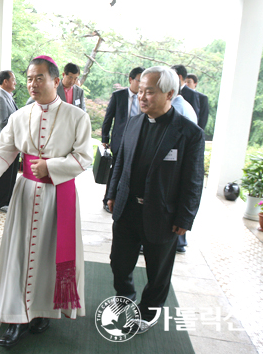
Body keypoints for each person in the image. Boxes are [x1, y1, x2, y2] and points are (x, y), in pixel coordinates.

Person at [0, 55, 92, 348]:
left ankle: (43, 311)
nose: (32, 84)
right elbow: (3, 151)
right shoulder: (19, 116)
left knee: (50, 256)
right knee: (20, 254)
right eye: (28, 78)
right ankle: (16, 317)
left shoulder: (77, 117)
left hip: (58, 197)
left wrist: (51, 167)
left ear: (55, 79)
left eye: (39, 78)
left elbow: (84, 158)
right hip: (25, 194)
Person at [107, 66, 205, 334]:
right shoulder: (133, 122)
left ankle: (149, 311)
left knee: (158, 271)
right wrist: (112, 193)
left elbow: (194, 181)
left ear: (169, 94)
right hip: (127, 208)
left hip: (163, 214)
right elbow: (121, 163)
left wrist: (185, 217)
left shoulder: (189, 133)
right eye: (140, 91)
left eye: (149, 92)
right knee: (119, 261)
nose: (142, 97)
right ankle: (125, 297)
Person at [101, 66, 145, 212]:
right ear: (131, 79)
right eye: (139, 80)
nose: (141, 84)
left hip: (138, 140)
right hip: (119, 140)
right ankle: (108, 199)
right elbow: (108, 118)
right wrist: (105, 138)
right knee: (115, 171)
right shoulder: (118, 96)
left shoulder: (144, 97)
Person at [0, 70, 20, 212]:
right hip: (6, 143)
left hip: (14, 142)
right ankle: (2, 202)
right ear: (5, 81)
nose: (15, 82)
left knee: (12, 174)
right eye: (13, 79)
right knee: (5, 174)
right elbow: (2, 123)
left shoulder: (8, 96)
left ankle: (8, 200)